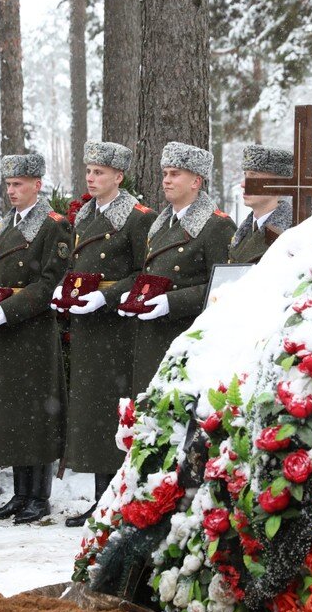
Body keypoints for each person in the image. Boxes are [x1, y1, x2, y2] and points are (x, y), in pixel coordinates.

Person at [58, 141, 156, 528]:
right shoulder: (84, 215)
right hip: (86, 325)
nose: (92, 178)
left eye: (100, 172)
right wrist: (65, 291)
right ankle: (101, 499)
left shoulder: (136, 217)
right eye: (89, 171)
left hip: (117, 328)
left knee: (112, 413)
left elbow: (142, 272)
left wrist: (105, 295)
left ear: (119, 176)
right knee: (94, 414)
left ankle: (114, 500)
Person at [0, 153, 71, 524]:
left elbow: (50, 281)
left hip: (31, 329)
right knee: (14, 413)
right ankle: (20, 493)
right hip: (4, 330)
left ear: (37, 185)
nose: (12, 190)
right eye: (9, 184)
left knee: (36, 414)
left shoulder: (53, 225)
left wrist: (11, 309)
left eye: (19, 184)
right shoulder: (5, 224)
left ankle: (39, 496)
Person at [121, 142, 236, 394]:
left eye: (175, 174)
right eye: (164, 174)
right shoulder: (160, 225)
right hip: (150, 335)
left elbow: (224, 289)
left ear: (196, 181)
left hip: (184, 337)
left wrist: (172, 301)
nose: (166, 181)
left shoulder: (216, 226)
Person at [229, 145, 293, 265]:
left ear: (278, 184)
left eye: (253, 176)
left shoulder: (292, 230)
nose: (243, 184)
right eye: (245, 175)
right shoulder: (245, 231)